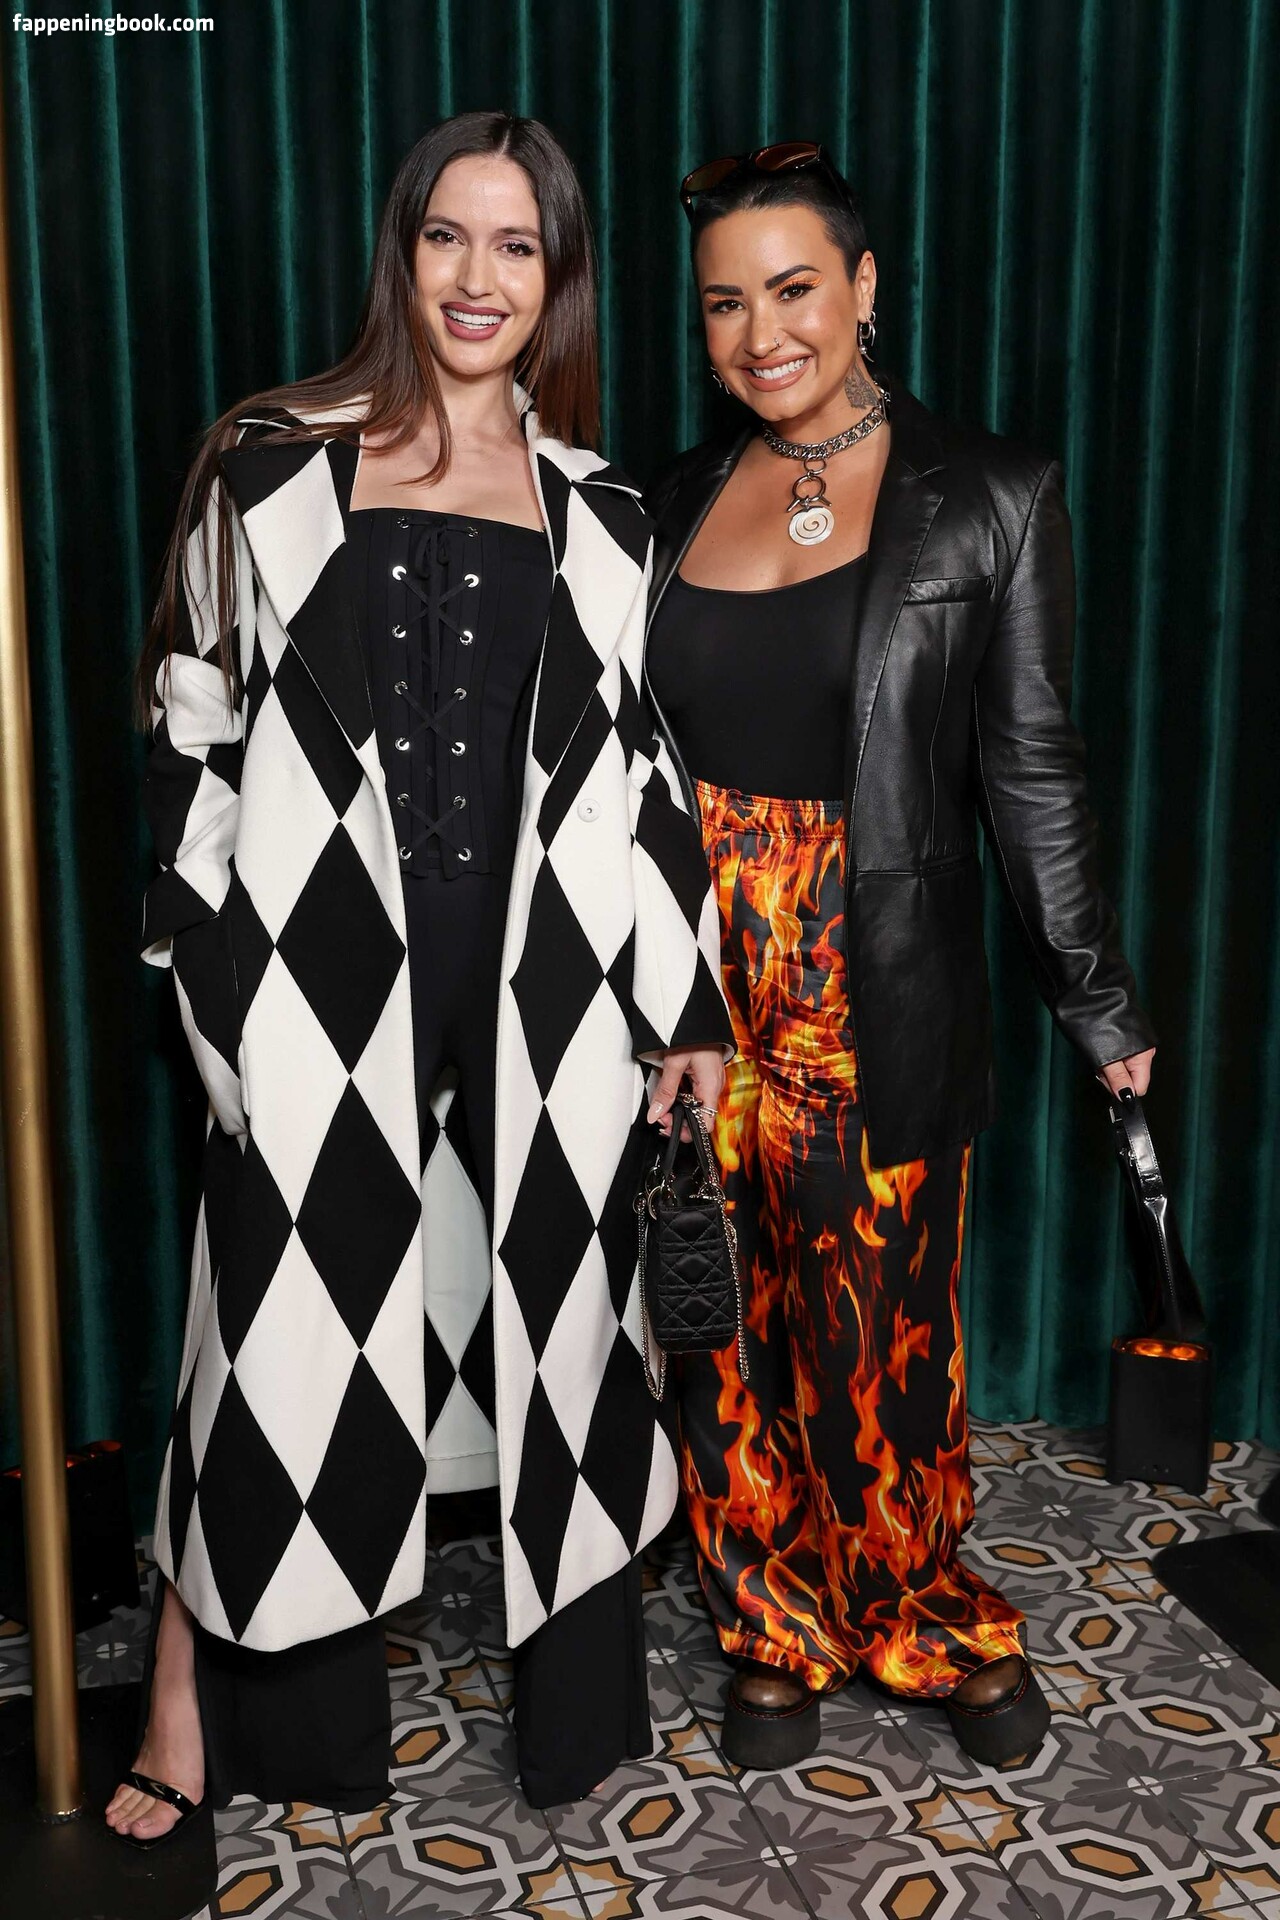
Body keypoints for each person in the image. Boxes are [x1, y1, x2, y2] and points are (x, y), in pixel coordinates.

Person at [109, 110, 730, 1844]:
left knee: (567, 1325)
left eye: (517, 246)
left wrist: (681, 1002)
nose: (478, 277)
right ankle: (202, 1702)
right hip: (314, 976)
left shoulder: (602, 507)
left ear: (558, 278)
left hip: (552, 983)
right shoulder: (267, 467)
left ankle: (577, 1709)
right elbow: (186, 730)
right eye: (449, 236)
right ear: (403, 251)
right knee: (276, 1331)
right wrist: (208, 972)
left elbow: (644, 770)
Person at [643, 142, 1156, 1771]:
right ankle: (768, 1619)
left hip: (876, 969)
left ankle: (919, 1610)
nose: (761, 333)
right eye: (725, 303)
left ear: (864, 288)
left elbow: (1032, 765)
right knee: (717, 1320)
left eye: (795, 289)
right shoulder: (659, 502)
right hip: (684, 979)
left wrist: (1096, 997)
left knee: (879, 1336)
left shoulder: (990, 493)